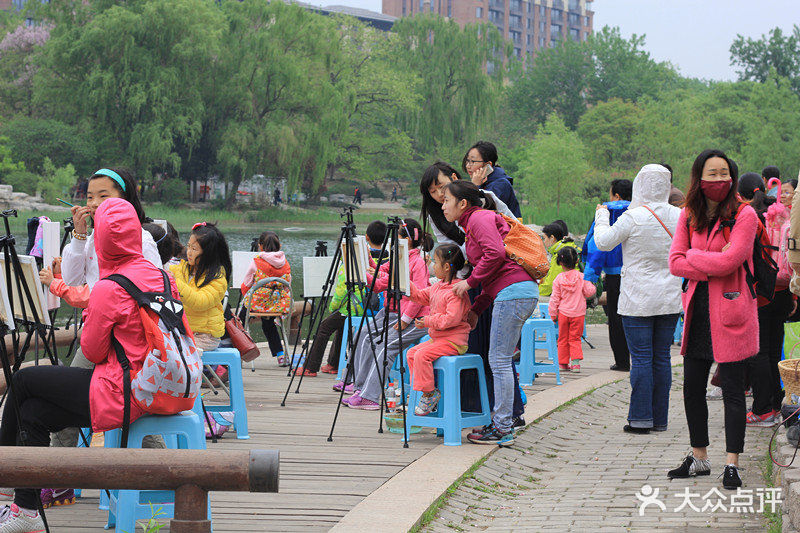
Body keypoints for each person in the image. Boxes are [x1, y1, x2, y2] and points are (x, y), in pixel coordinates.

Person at [0, 199, 177, 532]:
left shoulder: (111, 287)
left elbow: (93, 351)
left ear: (104, 241)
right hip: (159, 385)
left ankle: (5, 476)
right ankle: (25, 510)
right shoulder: (161, 276)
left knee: (23, 381)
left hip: (124, 391)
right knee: (34, 412)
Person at [49, 168, 165, 501]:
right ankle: (170, 476)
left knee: (63, 394)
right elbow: (72, 280)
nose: (95, 203)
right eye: (89, 197)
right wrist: (79, 235)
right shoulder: (90, 237)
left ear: (126, 200)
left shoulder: (140, 238)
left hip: (128, 340)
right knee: (113, 398)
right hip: (102, 331)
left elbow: (151, 288)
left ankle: (60, 479)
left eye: (105, 196)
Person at [667, 149, 758, 490]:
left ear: (732, 177)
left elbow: (732, 260)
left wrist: (694, 255)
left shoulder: (745, 214)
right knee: (692, 387)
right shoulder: (689, 213)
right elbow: (675, 262)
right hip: (698, 312)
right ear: (699, 178)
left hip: (732, 310)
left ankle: (732, 462)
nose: (719, 180)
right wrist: (707, 258)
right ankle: (699, 456)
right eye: (712, 173)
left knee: (733, 391)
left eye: (724, 173)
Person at [418, 162, 526, 428]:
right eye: (433, 192)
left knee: (495, 354)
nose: (439, 197)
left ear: (455, 180)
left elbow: (507, 233)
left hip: (485, 281)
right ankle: (472, 410)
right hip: (473, 285)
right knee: (479, 350)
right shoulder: (442, 214)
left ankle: (507, 415)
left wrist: (469, 281)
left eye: (442, 188)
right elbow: (452, 252)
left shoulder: (481, 207)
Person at [444, 181, 537, 446]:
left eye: (446, 200)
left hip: (514, 294)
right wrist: (477, 309)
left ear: (463, 203)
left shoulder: (479, 218)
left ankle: (503, 427)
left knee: (498, 360)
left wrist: (469, 283)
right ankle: (501, 423)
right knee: (500, 359)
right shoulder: (472, 225)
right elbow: (493, 274)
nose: (443, 205)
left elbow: (495, 254)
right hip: (513, 292)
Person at [593, 165, 682, 434]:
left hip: (638, 298)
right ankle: (660, 419)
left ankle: (640, 418)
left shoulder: (633, 217)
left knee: (641, 358)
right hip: (669, 298)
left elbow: (603, 242)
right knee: (661, 359)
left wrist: (601, 215)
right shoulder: (680, 216)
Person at [337, 219, 431, 410]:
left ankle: (370, 396)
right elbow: (382, 277)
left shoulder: (417, 263)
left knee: (384, 347)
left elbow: (419, 296)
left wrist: (405, 321)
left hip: (415, 319)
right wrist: (363, 262)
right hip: (396, 313)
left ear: (407, 240)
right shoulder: (400, 257)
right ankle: (358, 386)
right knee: (364, 334)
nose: (392, 240)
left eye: (396, 236)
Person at [405, 244, 472, 415]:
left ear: (447, 267)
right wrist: (407, 283)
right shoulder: (437, 287)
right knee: (411, 353)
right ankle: (423, 391)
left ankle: (429, 394)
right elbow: (420, 296)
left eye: (435, 262)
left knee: (422, 355)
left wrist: (428, 321)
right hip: (439, 340)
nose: (433, 266)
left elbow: (452, 319)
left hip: (454, 341)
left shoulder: (456, 291)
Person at [583, 178, 632, 371]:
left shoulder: (607, 212)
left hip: (614, 275)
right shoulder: (641, 211)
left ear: (616, 196)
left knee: (616, 318)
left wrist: (590, 276)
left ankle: (622, 361)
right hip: (636, 272)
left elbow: (595, 246)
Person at [239, 231, 292, 365]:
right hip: (277, 305)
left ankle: (238, 351)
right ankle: (280, 355)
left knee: (238, 321)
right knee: (268, 324)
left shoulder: (257, 261)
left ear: (260, 246)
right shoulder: (285, 263)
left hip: (257, 303)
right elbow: (287, 285)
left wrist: (246, 294)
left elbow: (246, 284)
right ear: (279, 245)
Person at [548, 247, 595, 373]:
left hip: (563, 313)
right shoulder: (582, 277)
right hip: (578, 314)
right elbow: (590, 292)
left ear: (561, 263)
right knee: (575, 338)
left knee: (562, 338)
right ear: (577, 260)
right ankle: (575, 364)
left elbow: (554, 299)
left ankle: (563, 363)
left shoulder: (558, 279)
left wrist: (552, 314)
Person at [461, 141, 521, 217]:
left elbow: (483, 213)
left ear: (488, 165)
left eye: (473, 161)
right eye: (467, 161)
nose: (468, 166)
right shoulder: (484, 181)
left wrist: (474, 186)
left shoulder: (500, 184)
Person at [538, 222, 579, 299]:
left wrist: (535, 291)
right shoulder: (569, 247)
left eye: (544, 238)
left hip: (570, 296)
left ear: (552, 238)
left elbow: (550, 285)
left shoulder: (561, 254)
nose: (544, 241)